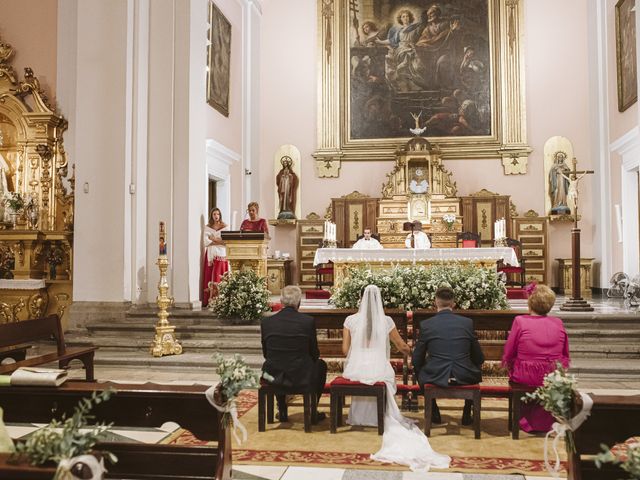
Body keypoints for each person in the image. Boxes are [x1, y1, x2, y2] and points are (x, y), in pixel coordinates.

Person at [341, 285, 450, 471]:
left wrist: (360, 356)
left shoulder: (350, 320)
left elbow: (345, 351)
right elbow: (401, 346)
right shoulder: (386, 321)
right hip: (378, 368)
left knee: (364, 373)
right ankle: (381, 416)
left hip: (355, 369)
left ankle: (359, 417)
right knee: (385, 373)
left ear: (360, 299)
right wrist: (414, 353)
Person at [502, 284, 570, 433]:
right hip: (553, 374)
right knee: (547, 378)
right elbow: (565, 353)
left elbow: (509, 350)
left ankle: (526, 420)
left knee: (519, 373)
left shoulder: (520, 321)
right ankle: (544, 421)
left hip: (527, 374)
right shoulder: (558, 322)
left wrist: (509, 363)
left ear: (530, 301)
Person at [412, 287, 484, 425]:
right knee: (476, 363)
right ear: (453, 304)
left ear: (435, 303)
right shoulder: (467, 323)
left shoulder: (426, 325)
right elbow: (479, 357)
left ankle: (433, 409)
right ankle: (467, 411)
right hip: (464, 374)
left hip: (435, 375)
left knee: (418, 366)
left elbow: (416, 359)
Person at [261, 285, 327, 423]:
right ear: (299, 302)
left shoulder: (267, 322)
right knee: (321, 365)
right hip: (301, 375)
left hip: (272, 375)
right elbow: (314, 353)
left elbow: (266, 353)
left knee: (276, 364)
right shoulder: (307, 321)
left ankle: (282, 408)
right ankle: (312, 409)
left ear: (281, 301)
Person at [202, 207, 229, 306]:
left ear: (220, 215)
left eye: (217, 214)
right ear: (211, 216)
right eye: (214, 214)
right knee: (210, 275)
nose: (216, 216)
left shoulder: (224, 226)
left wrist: (213, 239)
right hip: (210, 254)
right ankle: (210, 300)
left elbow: (226, 241)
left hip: (222, 254)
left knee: (220, 275)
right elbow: (206, 242)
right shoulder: (208, 227)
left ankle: (221, 299)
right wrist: (217, 241)